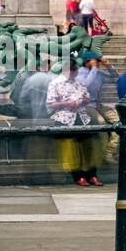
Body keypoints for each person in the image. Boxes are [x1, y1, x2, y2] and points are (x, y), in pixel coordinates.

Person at [47, 57, 103, 187]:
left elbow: (87, 97)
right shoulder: (55, 83)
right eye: (72, 70)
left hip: (82, 116)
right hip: (65, 118)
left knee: (88, 146)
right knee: (71, 149)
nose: (74, 73)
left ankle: (92, 174)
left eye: (75, 70)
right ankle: (78, 176)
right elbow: (50, 103)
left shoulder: (79, 82)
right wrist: (67, 103)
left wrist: (84, 100)